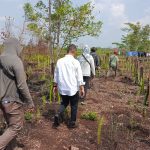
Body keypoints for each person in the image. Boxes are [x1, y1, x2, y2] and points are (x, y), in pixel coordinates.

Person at [0, 38, 35, 150]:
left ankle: (13, 147)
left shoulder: (1, 58)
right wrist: (30, 102)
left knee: (11, 125)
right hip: (12, 100)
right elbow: (22, 85)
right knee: (16, 126)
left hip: (2, 100)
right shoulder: (15, 61)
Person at [53, 44, 85, 128]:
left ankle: (58, 113)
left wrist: (55, 86)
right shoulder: (75, 62)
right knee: (74, 105)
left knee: (64, 102)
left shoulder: (59, 61)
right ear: (74, 51)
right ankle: (72, 123)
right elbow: (79, 77)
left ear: (68, 51)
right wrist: (82, 88)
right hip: (72, 88)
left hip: (62, 88)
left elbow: (56, 75)